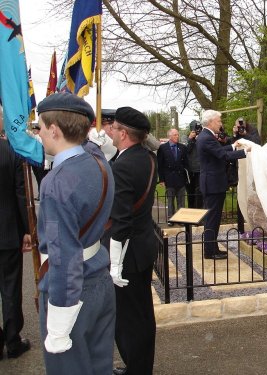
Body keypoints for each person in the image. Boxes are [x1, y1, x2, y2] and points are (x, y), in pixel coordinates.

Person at [35, 92, 116, 374]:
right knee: (99, 366)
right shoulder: (98, 162)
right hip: (99, 279)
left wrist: (58, 324)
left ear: (54, 129)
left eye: (41, 127)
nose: (39, 133)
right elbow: (97, 147)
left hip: (71, 291)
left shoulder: (57, 182)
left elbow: (64, 256)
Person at [104, 106, 158, 375]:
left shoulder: (124, 165)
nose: (110, 131)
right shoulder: (146, 156)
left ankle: (137, 369)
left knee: (129, 320)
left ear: (124, 133)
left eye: (113, 127)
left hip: (128, 254)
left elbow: (122, 222)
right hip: (143, 246)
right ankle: (140, 367)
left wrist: (114, 265)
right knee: (142, 314)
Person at [0, 104, 32, 360]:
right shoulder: (11, 152)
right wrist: (27, 230)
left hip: (8, 232)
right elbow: (22, 195)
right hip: (8, 232)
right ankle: (12, 340)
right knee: (10, 289)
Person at [197, 110, 249, 259]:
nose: (220, 124)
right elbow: (222, 155)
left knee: (214, 217)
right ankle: (209, 251)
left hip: (213, 183)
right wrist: (244, 152)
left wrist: (233, 146)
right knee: (212, 218)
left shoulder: (206, 136)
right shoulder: (206, 137)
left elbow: (218, 150)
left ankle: (213, 247)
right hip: (213, 184)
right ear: (211, 121)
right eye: (219, 121)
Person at [229, 118, 262, 233]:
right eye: (238, 126)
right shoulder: (236, 134)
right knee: (240, 196)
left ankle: (255, 223)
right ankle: (241, 227)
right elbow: (231, 147)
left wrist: (245, 134)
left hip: (251, 166)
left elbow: (257, 142)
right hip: (239, 166)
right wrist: (235, 134)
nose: (240, 128)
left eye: (241, 125)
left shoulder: (252, 131)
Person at [157, 128, 188, 225]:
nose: (177, 136)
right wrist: (161, 179)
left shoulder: (182, 147)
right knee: (170, 200)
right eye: (175, 135)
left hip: (180, 177)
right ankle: (171, 219)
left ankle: (181, 218)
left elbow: (186, 163)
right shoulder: (162, 148)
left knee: (181, 200)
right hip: (169, 178)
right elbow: (160, 165)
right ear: (169, 136)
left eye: (177, 135)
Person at [185, 120, 204, 208]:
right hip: (190, 171)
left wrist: (199, 138)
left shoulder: (202, 137)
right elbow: (186, 151)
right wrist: (190, 139)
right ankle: (191, 210)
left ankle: (199, 211)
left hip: (200, 169)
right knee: (190, 192)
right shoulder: (186, 138)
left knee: (199, 192)